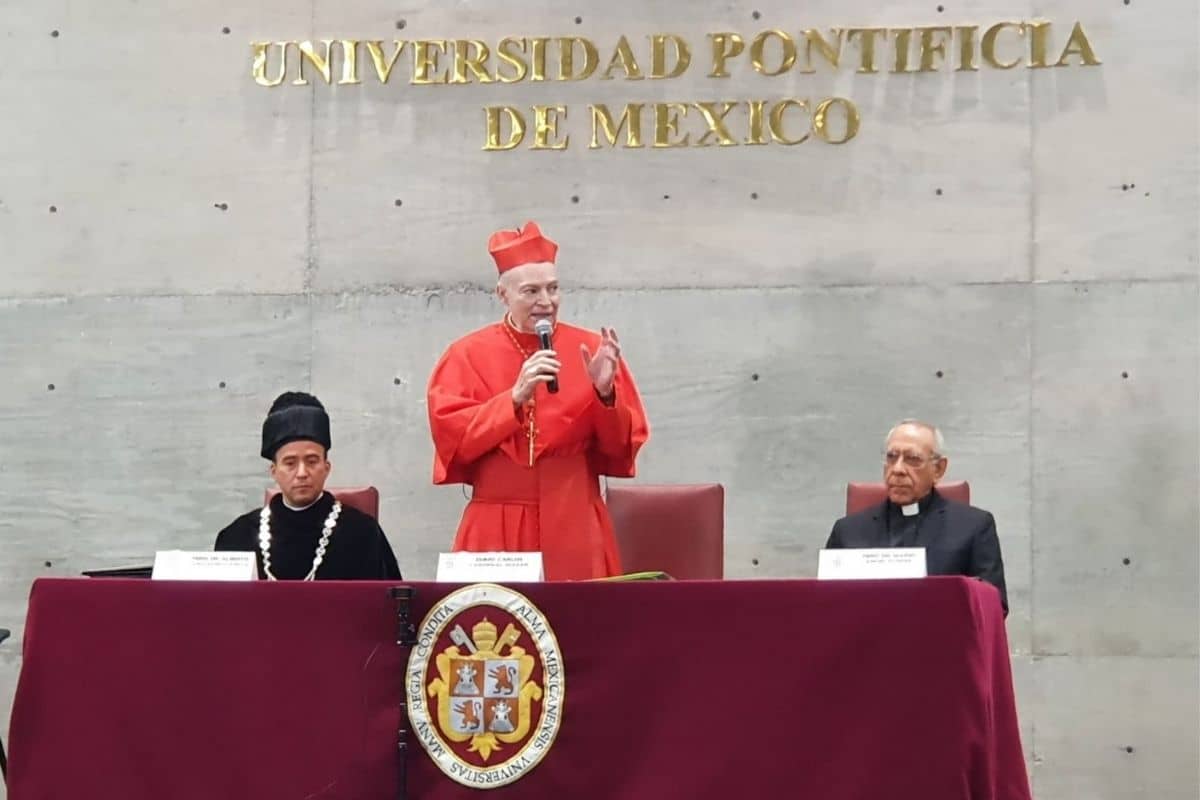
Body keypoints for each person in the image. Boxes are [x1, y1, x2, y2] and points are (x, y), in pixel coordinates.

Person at [426, 221, 649, 580]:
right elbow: (453, 442)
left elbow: (619, 451)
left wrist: (606, 396)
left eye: (553, 289)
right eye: (531, 291)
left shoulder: (593, 349)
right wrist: (512, 400)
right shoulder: (465, 354)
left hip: (576, 517)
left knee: (582, 629)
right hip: (497, 521)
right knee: (495, 628)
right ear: (503, 294)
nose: (546, 302)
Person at [825, 419, 1008, 614]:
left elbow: (994, 606)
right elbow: (824, 604)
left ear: (938, 469)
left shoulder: (973, 527)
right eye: (891, 457)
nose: (898, 469)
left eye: (912, 459)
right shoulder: (847, 531)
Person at [215, 391, 402, 580]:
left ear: (326, 467)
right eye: (290, 463)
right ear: (274, 471)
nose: (302, 473)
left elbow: (392, 605)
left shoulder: (363, 534)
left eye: (312, 461)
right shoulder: (237, 538)